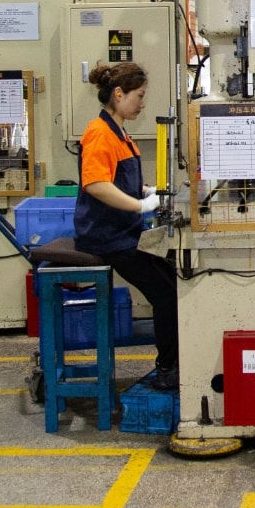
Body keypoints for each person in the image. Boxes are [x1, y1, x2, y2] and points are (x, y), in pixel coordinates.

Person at [75, 62, 177, 391]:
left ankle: (176, 360)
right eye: (139, 96)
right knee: (166, 295)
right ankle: (168, 369)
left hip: (124, 232)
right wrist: (140, 206)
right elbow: (96, 184)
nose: (142, 103)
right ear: (119, 94)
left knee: (175, 281)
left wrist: (147, 192)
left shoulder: (119, 133)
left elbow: (120, 180)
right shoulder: (99, 133)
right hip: (107, 237)